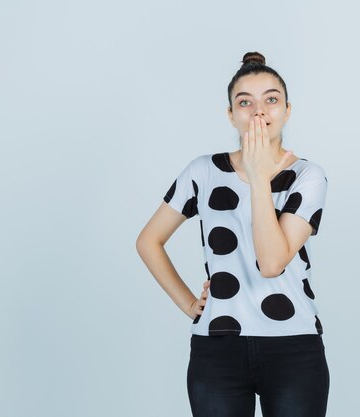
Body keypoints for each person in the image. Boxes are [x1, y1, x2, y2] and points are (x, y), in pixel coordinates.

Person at [136, 51, 330, 417]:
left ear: (287, 110)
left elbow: (272, 263)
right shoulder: (202, 172)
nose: (259, 111)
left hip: (293, 347)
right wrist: (190, 305)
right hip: (218, 349)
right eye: (245, 102)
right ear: (231, 114)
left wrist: (259, 176)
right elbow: (148, 241)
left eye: (271, 99)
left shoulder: (308, 176)